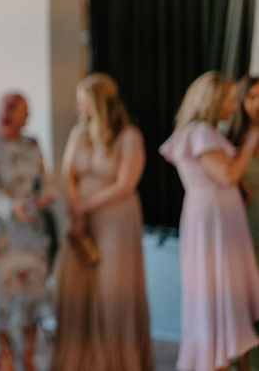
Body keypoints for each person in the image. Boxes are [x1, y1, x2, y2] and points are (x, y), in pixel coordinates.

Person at [51, 73, 153, 370]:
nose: (76, 107)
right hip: (81, 221)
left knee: (112, 288)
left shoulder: (129, 136)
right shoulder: (78, 134)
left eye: (81, 100)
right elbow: (68, 174)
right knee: (75, 288)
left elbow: (125, 184)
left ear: (96, 101)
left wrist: (85, 205)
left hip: (116, 219)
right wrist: (77, 210)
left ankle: (116, 360)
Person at [160, 71, 259, 371]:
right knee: (218, 291)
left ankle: (226, 354)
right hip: (213, 221)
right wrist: (252, 139)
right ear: (212, 100)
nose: (233, 107)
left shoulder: (202, 132)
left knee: (221, 291)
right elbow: (228, 174)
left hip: (214, 216)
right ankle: (215, 358)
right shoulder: (200, 132)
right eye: (229, 100)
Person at [0, 92, 54, 371]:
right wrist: (10, 206)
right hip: (3, 230)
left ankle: (28, 356)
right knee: (0, 295)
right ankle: (5, 354)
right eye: (23, 110)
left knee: (31, 291)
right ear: (9, 111)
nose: (28, 116)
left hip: (30, 230)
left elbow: (42, 179)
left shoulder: (32, 143)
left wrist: (44, 197)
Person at [228, 75, 259, 371]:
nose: (258, 103)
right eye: (251, 96)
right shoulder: (229, 140)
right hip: (242, 230)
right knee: (244, 304)